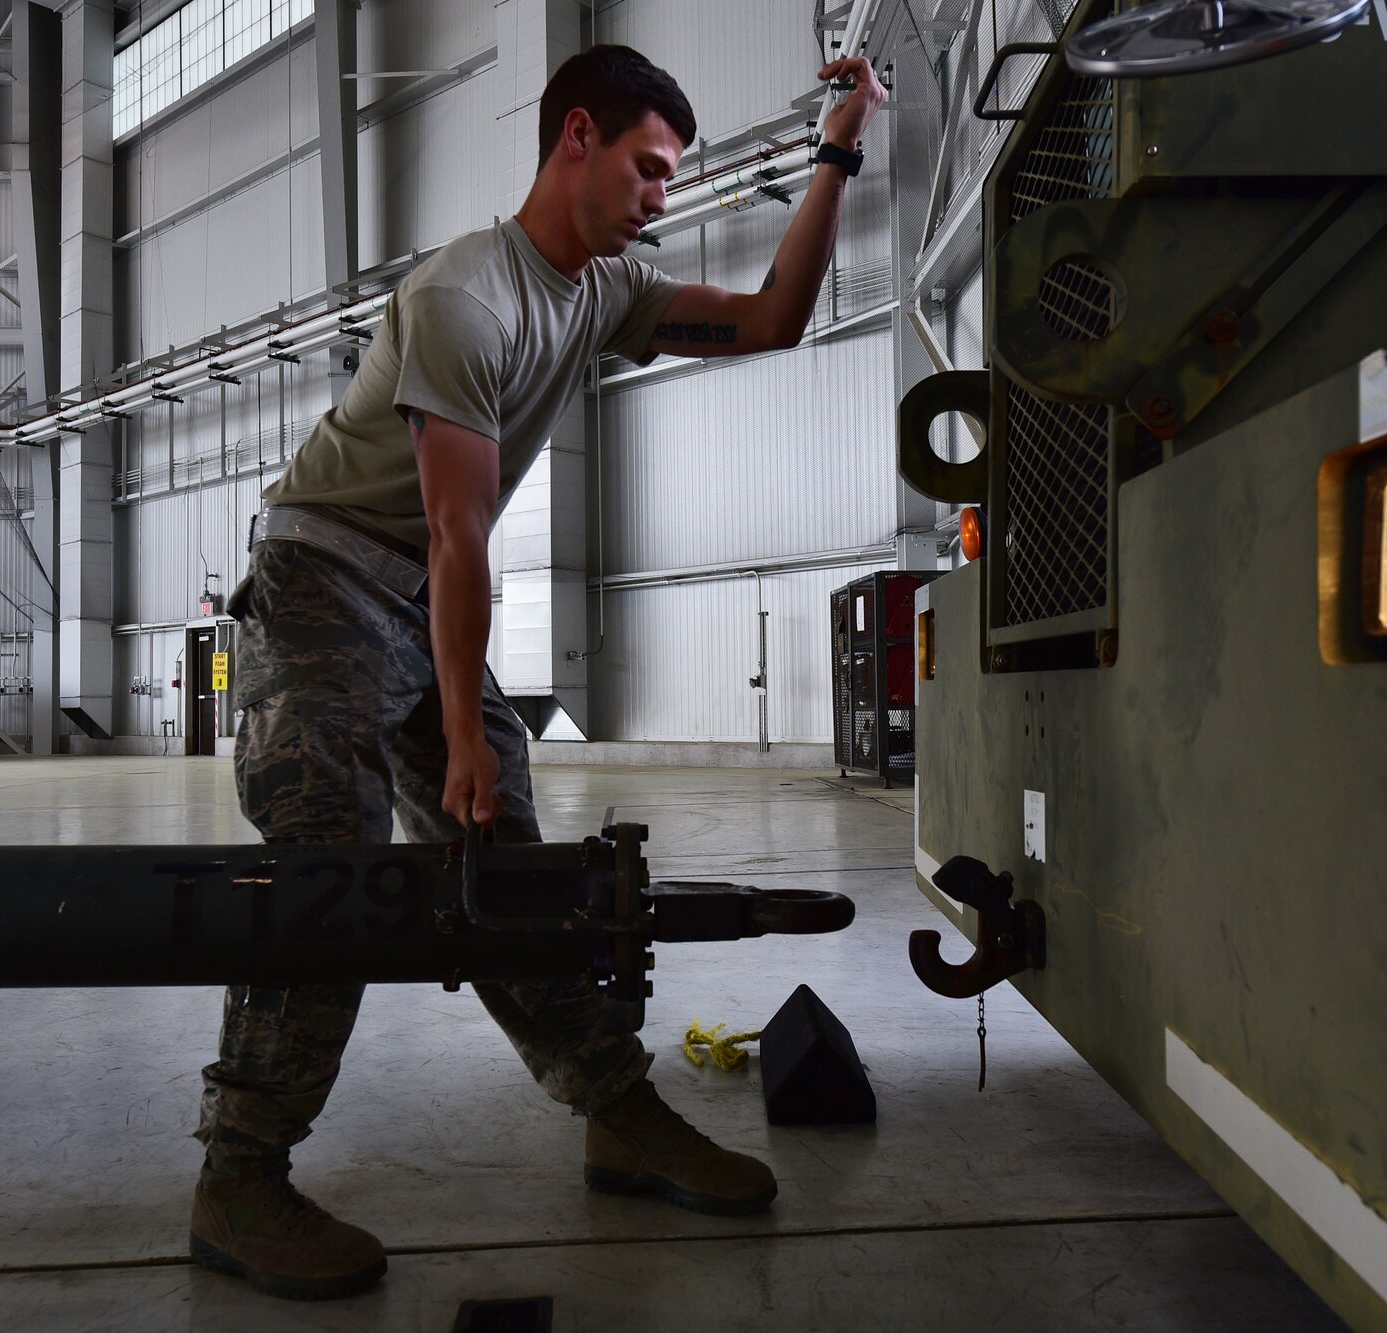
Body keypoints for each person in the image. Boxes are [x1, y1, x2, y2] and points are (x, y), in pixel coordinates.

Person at [188, 43, 887, 1301]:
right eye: (648, 168)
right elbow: (458, 532)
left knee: (510, 864)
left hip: (405, 594)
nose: (660, 196)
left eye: (667, 177)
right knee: (328, 854)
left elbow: (773, 319)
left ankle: (615, 1112)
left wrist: (838, 147)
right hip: (318, 579)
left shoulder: (602, 289)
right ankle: (238, 1178)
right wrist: (461, 729)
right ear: (576, 136)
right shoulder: (467, 297)